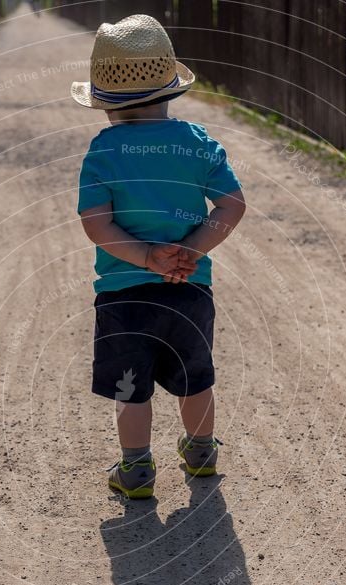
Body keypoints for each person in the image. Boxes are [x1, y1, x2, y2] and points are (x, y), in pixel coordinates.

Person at [72, 14, 246, 499]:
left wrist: (146, 257)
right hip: (189, 287)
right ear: (171, 91)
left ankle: (136, 471)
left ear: (105, 104)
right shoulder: (197, 144)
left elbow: (96, 223)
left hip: (123, 293)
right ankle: (202, 453)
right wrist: (191, 249)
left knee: (132, 386)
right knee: (195, 377)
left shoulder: (103, 153)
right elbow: (231, 205)